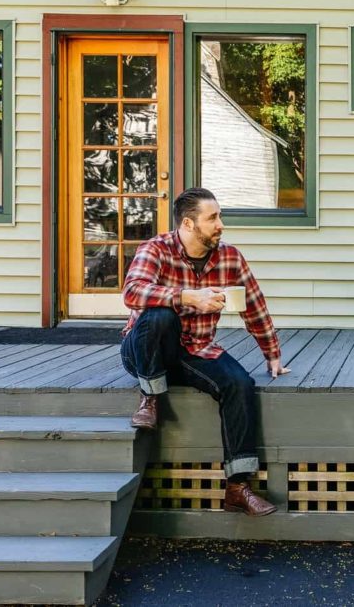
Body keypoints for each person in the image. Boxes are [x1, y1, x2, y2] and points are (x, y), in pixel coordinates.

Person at [120, 187, 289, 516]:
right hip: (143, 352)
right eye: (213, 218)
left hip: (195, 349)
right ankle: (151, 397)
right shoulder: (155, 249)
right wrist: (187, 297)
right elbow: (132, 291)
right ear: (188, 223)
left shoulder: (229, 257)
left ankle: (237, 487)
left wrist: (272, 353)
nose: (220, 224)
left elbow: (253, 305)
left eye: (219, 216)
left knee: (239, 383)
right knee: (160, 316)